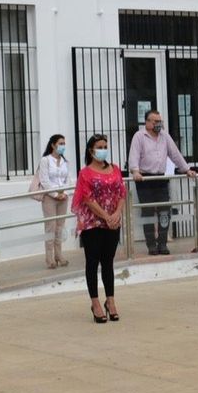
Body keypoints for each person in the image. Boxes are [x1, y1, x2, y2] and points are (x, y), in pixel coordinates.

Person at [73, 134, 125, 323]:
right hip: (92, 224)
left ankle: (110, 301)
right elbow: (87, 199)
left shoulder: (115, 169)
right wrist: (105, 216)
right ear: (91, 151)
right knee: (92, 262)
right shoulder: (85, 173)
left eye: (105, 146)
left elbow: (121, 193)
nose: (103, 149)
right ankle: (95, 303)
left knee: (108, 262)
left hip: (113, 222)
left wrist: (116, 214)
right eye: (99, 147)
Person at [127, 109, 189, 256]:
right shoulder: (139, 136)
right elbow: (134, 156)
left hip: (160, 178)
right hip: (145, 179)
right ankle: (151, 245)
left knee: (164, 211)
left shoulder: (164, 136)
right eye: (155, 121)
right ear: (147, 122)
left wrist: (186, 169)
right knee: (147, 211)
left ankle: (162, 243)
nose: (158, 124)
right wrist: (135, 171)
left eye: (159, 121)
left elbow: (175, 154)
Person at [36, 134, 73, 269]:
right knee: (50, 226)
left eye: (64, 143)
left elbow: (68, 179)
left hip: (63, 197)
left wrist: (65, 193)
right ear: (53, 145)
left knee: (60, 226)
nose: (63, 146)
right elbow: (44, 180)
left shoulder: (65, 162)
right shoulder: (45, 160)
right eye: (60, 143)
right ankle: (49, 257)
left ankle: (59, 254)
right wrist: (55, 194)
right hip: (50, 198)